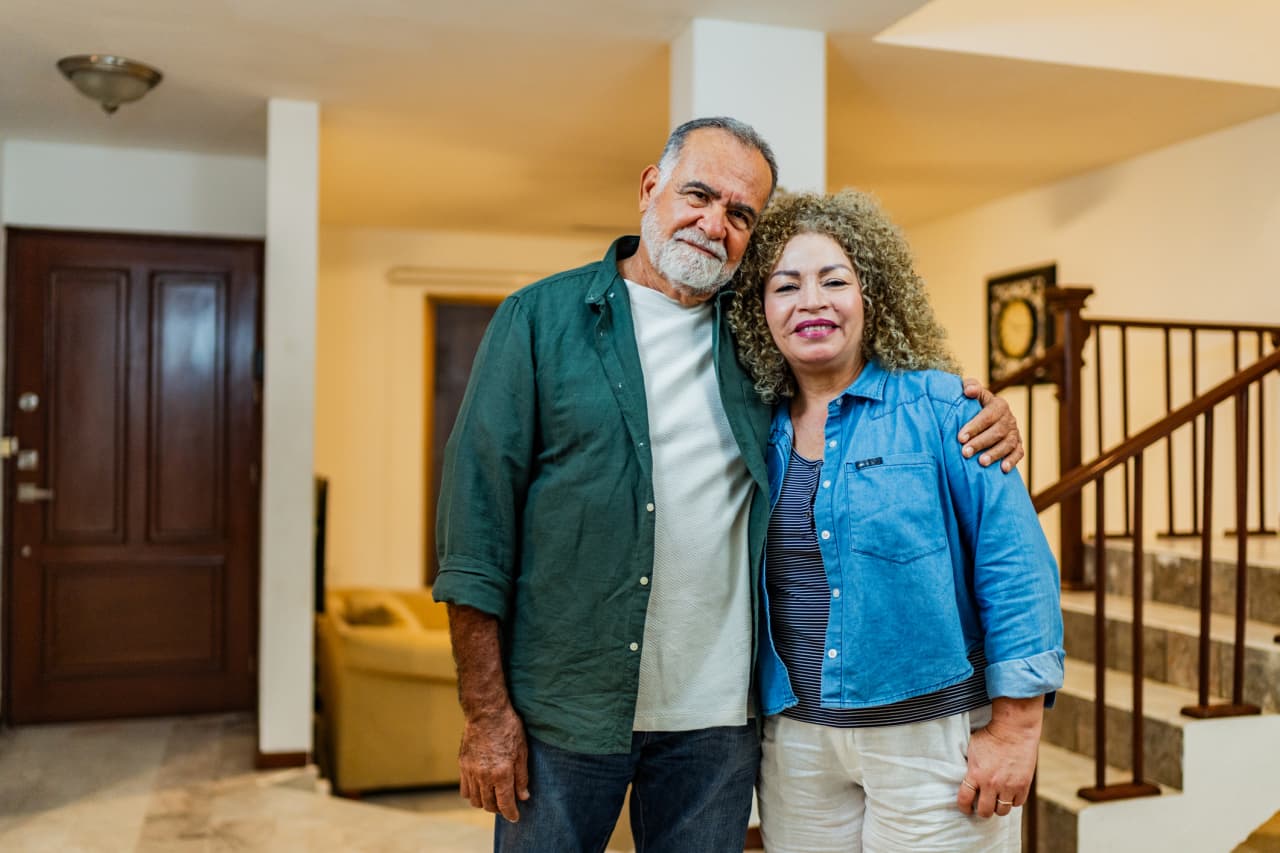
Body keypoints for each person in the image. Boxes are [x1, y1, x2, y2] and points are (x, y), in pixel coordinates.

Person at [432, 117, 1024, 853]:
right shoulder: (539, 321)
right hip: (565, 709)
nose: (714, 224)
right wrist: (486, 713)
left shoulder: (758, 337)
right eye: (698, 195)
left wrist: (976, 408)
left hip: (715, 728)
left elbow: (854, 379)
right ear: (651, 187)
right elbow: (475, 535)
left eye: (741, 214)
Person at [726, 188, 1064, 852]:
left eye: (834, 281)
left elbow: (1015, 568)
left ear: (870, 296)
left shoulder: (944, 408)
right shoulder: (753, 430)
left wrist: (1016, 730)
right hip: (797, 742)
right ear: (759, 310)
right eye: (786, 285)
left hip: (932, 740)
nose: (811, 301)